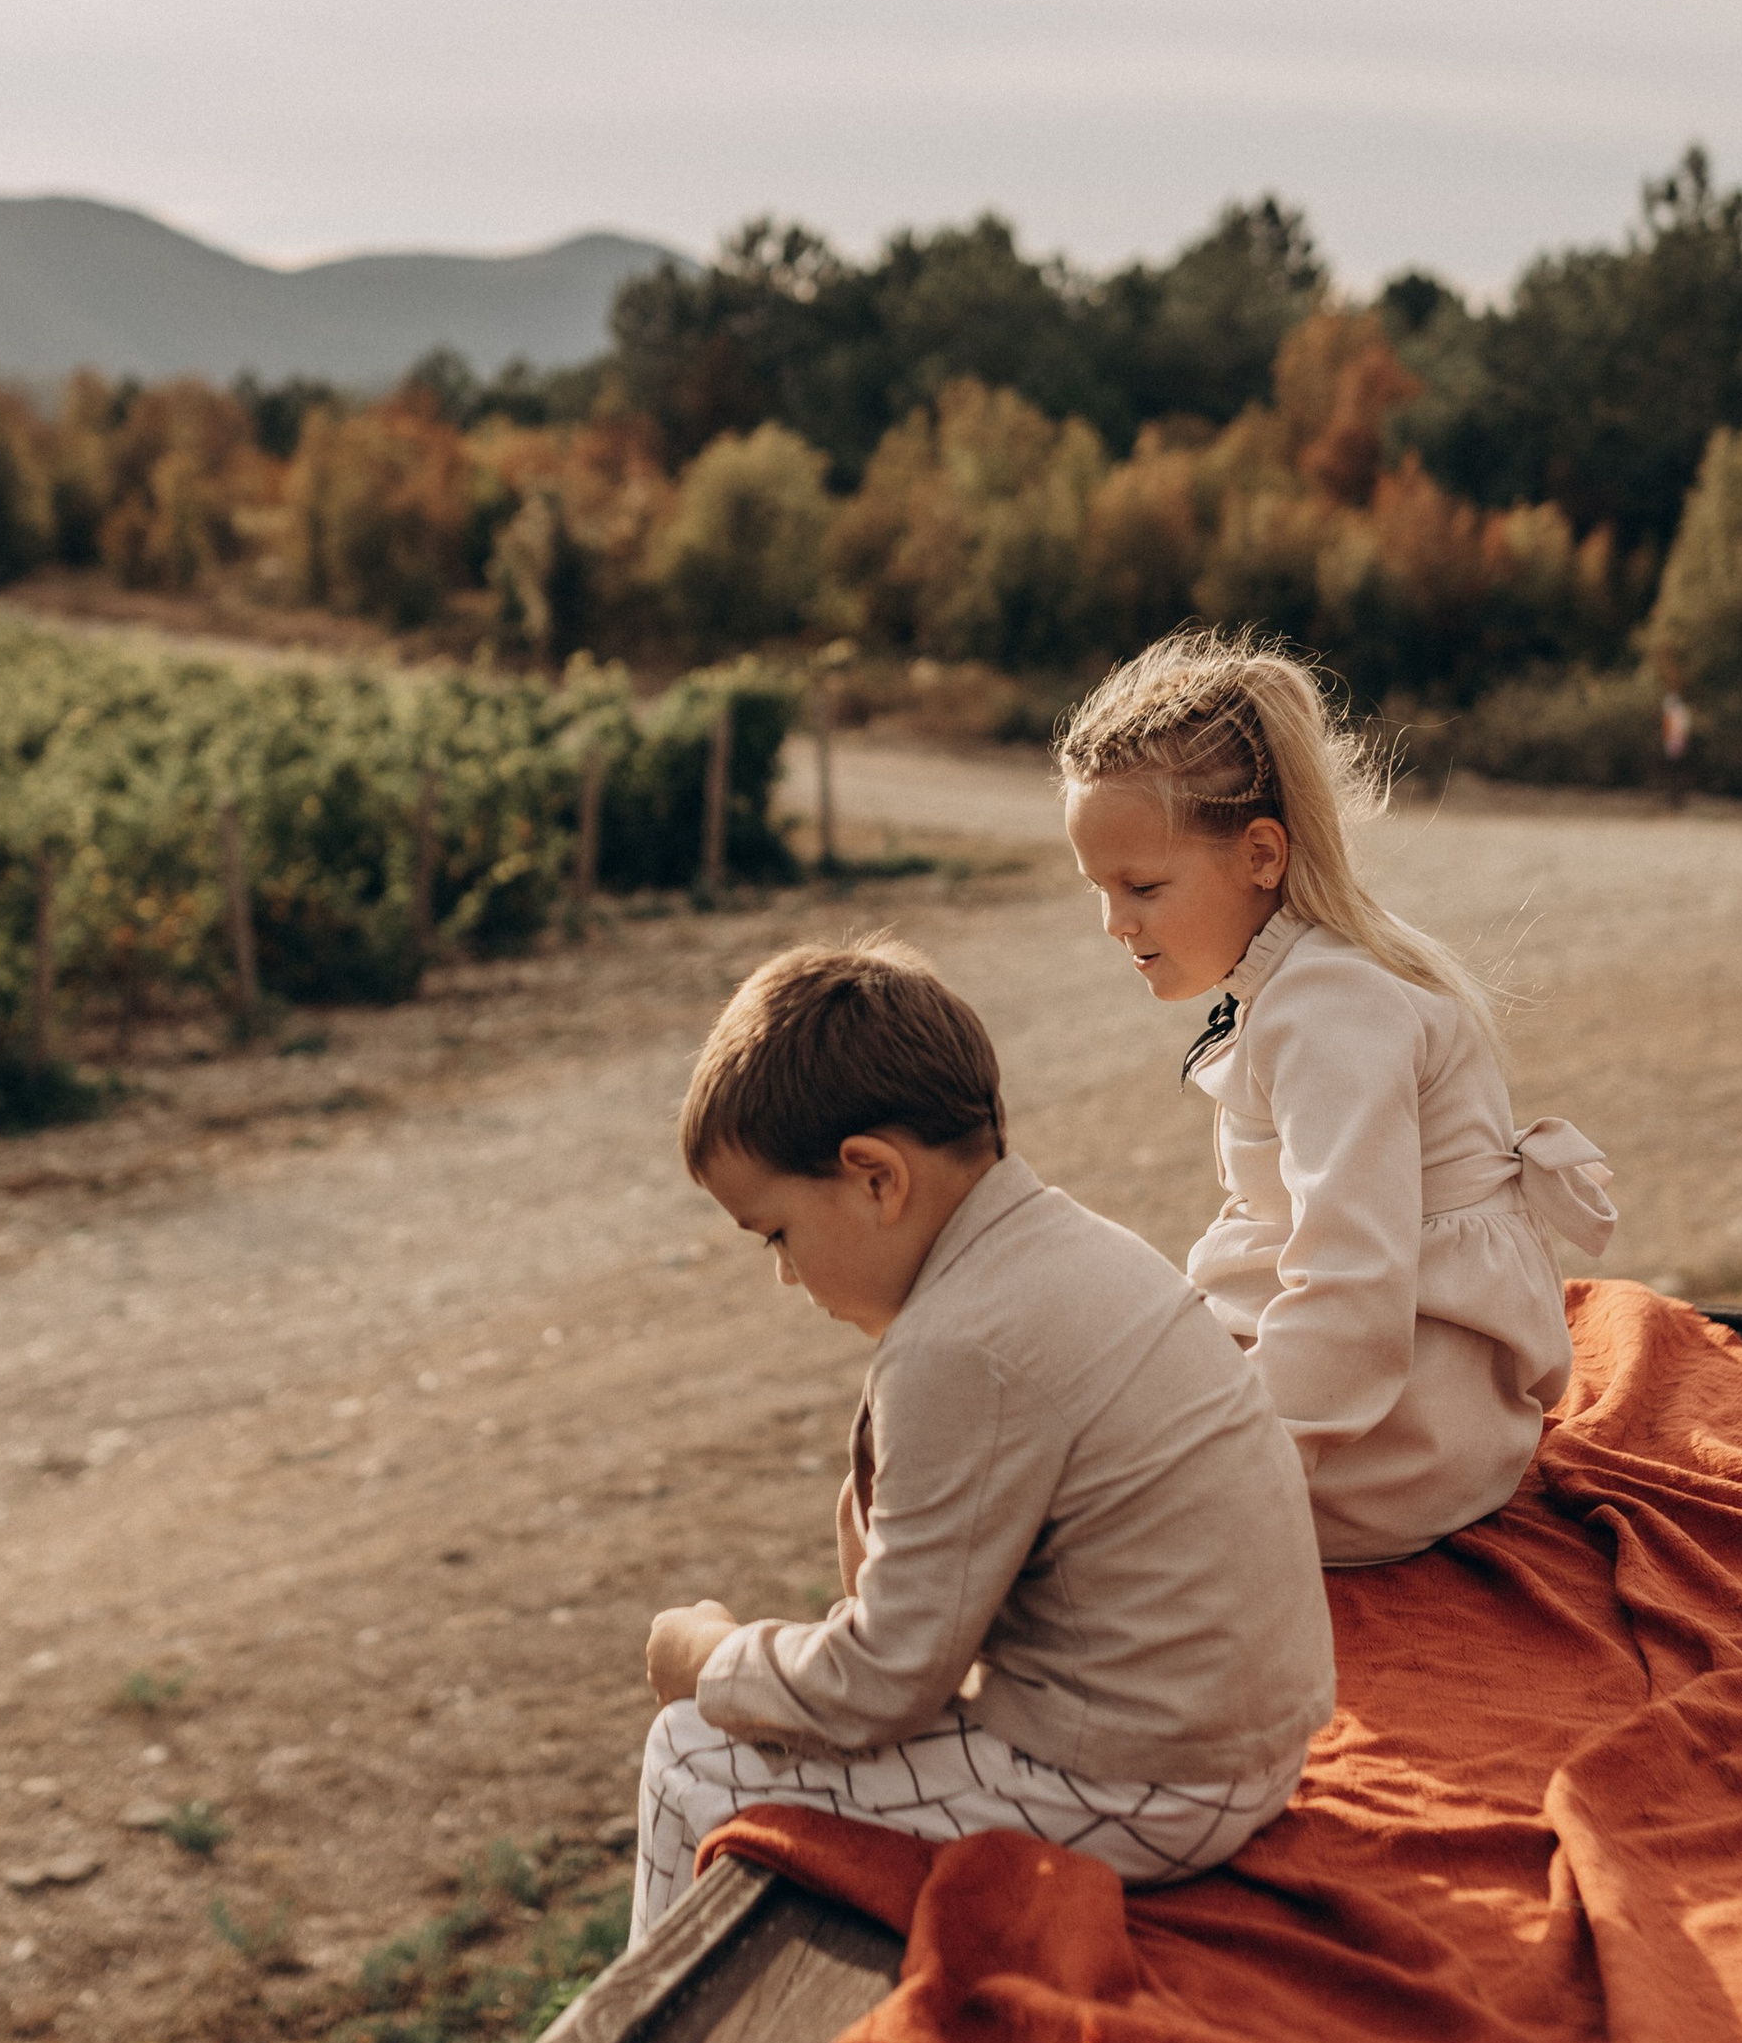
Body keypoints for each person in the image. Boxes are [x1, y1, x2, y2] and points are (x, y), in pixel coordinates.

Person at [632, 939, 1335, 1943]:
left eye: (777, 1233)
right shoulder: (1066, 1246)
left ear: (874, 1176)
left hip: (1146, 1785)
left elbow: (882, 1684)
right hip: (1240, 1745)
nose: (785, 1276)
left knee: (687, 1753)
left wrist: (709, 1657)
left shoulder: (958, 1348)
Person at [1060, 628, 1616, 1567]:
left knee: (1074, 1497)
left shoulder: (1328, 1009)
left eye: (1142, 885)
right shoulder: (1299, 972)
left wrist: (1235, 1462)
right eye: (1098, 889)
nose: (1117, 923)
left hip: (1407, 1420)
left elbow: (1354, 1283)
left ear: (1262, 854)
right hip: (1384, 1382)